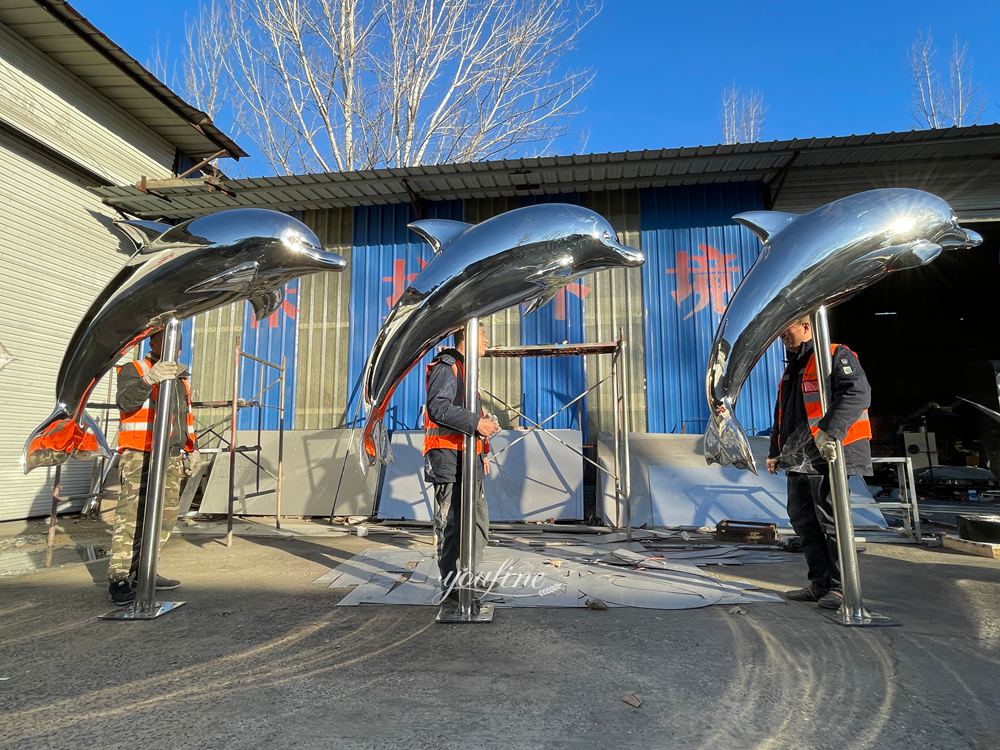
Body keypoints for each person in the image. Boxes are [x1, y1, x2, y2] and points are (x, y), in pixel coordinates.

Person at [767, 317, 872, 610]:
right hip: (801, 459)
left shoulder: (836, 354)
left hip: (830, 455)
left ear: (805, 326)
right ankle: (820, 584)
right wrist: (776, 451)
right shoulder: (793, 368)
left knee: (830, 520)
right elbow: (784, 413)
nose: (780, 335)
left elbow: (858, 393)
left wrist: (831, 433)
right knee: (803, 520)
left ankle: (840, 588)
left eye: (784, 328)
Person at [107, 330, 199, 605]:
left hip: (170, 455)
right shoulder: (134, 369)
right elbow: (126, 402)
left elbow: (184, 417)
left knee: (165, 517)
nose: (175, 349)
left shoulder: (180, 378)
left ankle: (144, 570)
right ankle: (121, 578)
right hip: (140, 453)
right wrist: (148, 380)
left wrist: (190, 449)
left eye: (179, 345)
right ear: (154, 343)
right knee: (132, 516)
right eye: (169, 343)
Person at [423, 323, 500, 607]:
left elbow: (470, 417)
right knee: (452, 524)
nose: (487, 340)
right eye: (482, 333)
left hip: (470, 459)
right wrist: (478, 423)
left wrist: (484, 453)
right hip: (448, 458)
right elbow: (438, 408)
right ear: (466, 335)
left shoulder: (468, 373)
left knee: (478, 522)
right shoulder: (448, 366)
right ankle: (452, 586)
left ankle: (470, 574)